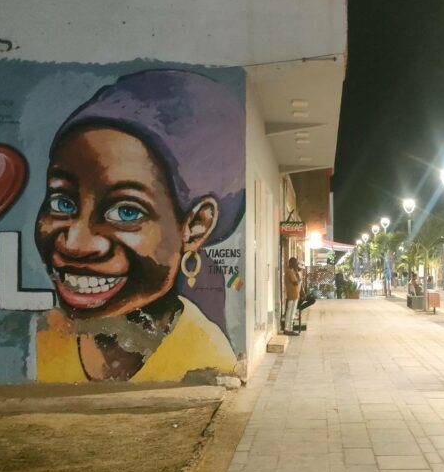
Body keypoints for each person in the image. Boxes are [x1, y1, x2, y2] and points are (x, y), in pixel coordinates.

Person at [34, 70, 243, 382]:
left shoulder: (203, 362)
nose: (74, 243)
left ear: (195, 225)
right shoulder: (41, 339)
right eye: (62, 203)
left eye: (127, 211)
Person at [284, 257, 303, 336]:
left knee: (292, 312)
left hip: (294, 295)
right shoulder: (290, 272)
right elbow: (296, 282)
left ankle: (289, 328)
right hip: (292, 295)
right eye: (296, 263)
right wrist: (297, 274)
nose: (297, 265)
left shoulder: (291, 271)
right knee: (290, 312)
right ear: (292, 263)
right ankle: (288, 328)